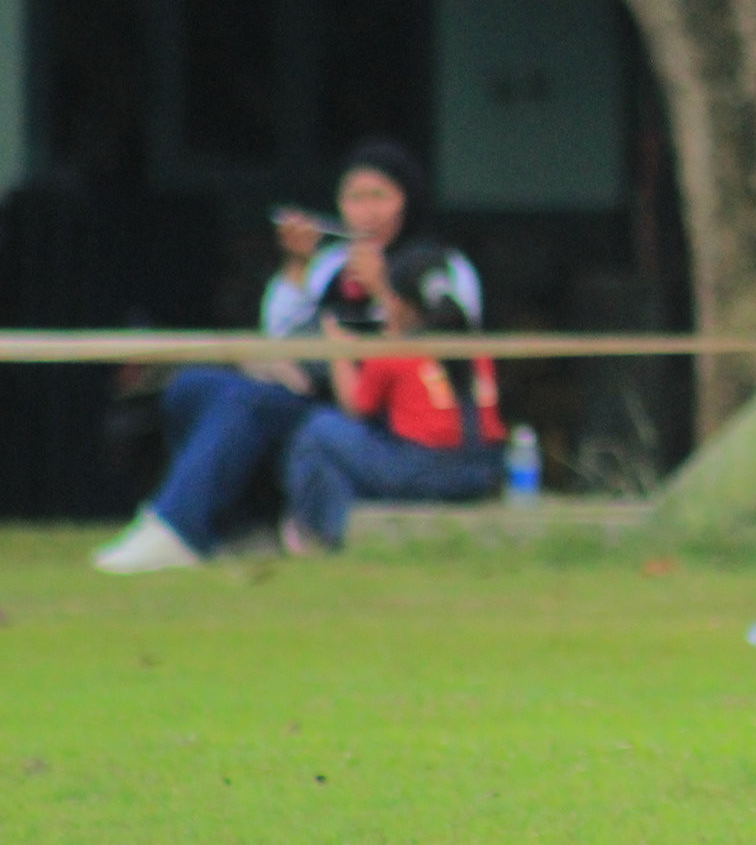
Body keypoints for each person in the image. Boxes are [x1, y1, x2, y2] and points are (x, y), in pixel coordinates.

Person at [92, 139, 484, 573]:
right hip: (314, 395)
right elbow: (283, 332)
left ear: (408, 201)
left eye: (380, 196)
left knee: (244, 404)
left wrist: (382, 290)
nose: (366, 212)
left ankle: (178, 529)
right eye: (354, 198)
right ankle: (214, 522)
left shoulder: (440, 265)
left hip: (384, 420)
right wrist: (297, 265)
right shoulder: (332, 265)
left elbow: (451, 344)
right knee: (194, 386)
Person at [278, 240, 505, 554]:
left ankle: (323, 534)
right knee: (329, 459)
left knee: (318, 429)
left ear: (399, 302)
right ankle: (332, 537)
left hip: (426, 470)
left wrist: (339, 350)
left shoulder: (396, 348)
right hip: (482, 469)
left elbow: (355, 407)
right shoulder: (475, 347)